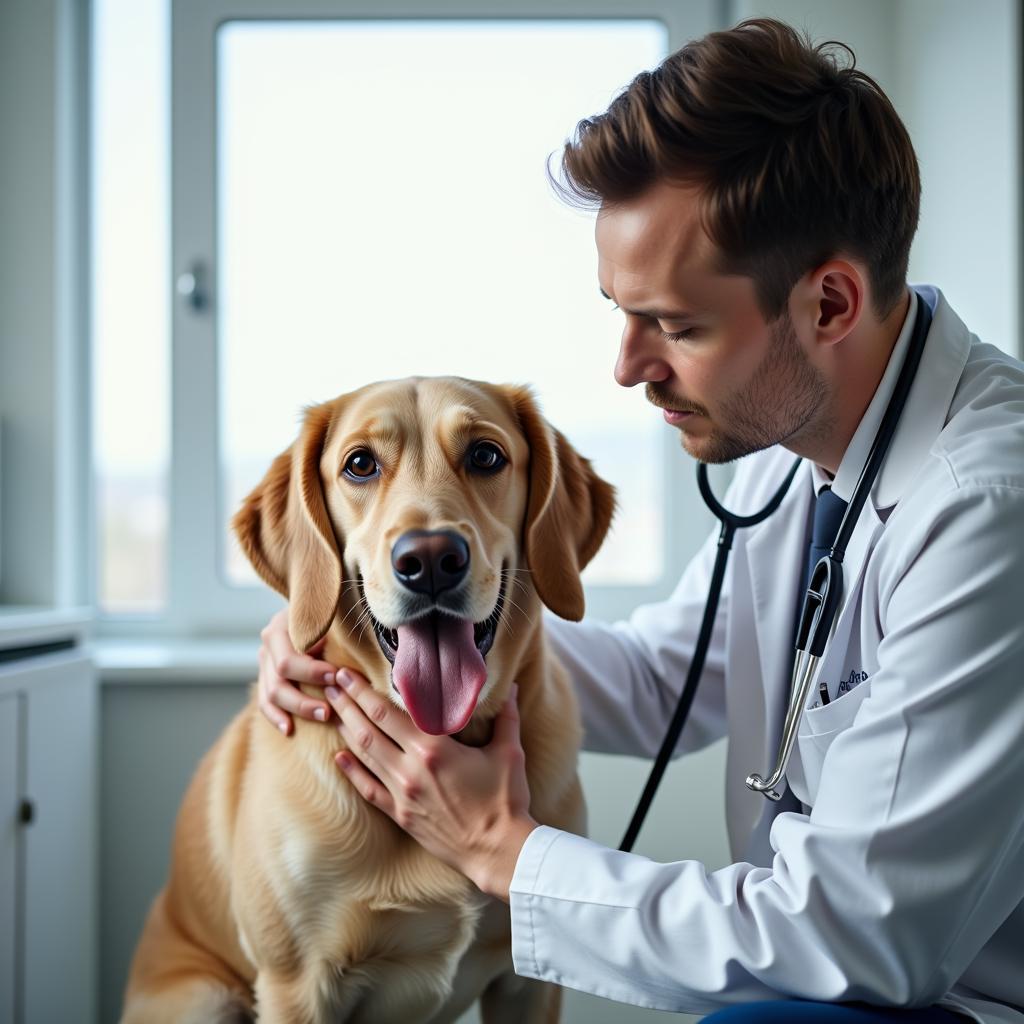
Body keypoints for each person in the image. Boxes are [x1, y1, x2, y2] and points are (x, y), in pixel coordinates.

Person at [253, 18, 1024, 1024]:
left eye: (673, 323)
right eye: (619, 311)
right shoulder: (797, 444)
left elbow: (859, 934)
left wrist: (504, 850)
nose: (626, 365)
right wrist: (368, 629)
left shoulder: (982, 510)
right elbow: (663, 677)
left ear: (827, 304)